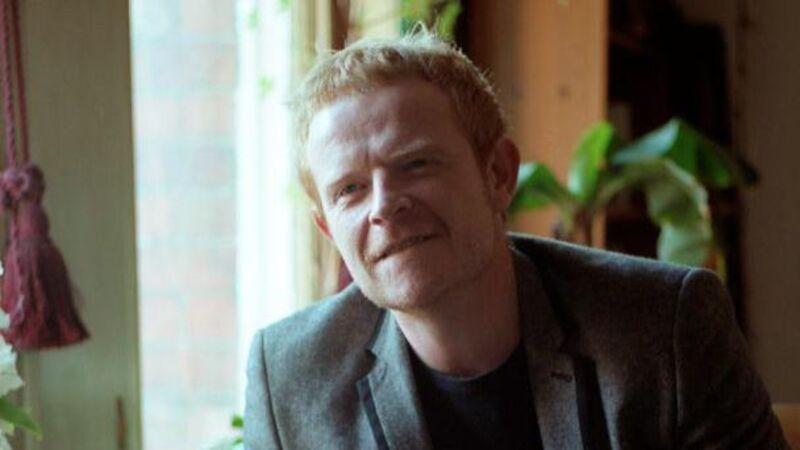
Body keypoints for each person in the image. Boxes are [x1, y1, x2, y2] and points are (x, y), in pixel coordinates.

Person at [244, 30, 788, 449]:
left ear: (499, 174)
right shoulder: (289, 374)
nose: (384, 205)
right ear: (327, 228)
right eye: (350, 190)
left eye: (415, 164)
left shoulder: (665, 327)